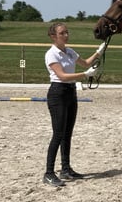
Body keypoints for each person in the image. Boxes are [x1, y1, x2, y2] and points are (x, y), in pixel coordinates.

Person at [43, 22, 106, 187]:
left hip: (71, 93)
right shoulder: (52, 54)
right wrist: (85, 75)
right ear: (53, 36)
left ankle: (65, 168)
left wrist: (99, 52)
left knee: (67, 133)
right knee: (58, 134)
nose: (66, 35)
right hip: (58, 93)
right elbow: (62, 76)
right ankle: (49, 172)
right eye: (62, 33)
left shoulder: (69, 52)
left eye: (66, 32)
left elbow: (85, 63)